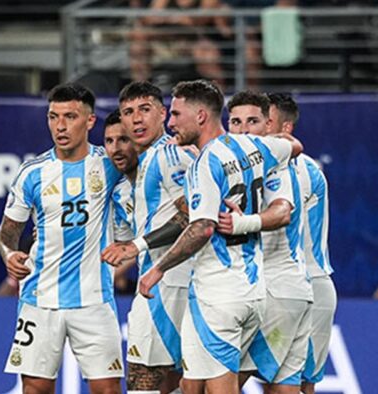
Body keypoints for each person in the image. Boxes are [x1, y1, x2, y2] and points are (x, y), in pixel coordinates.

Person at [138, 80, 302, 394]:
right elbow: (294, 146)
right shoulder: (254, 146)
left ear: (201, 116)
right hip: (250, 290)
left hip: (219, 294)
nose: (170, 123)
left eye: (175, 114)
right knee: (191, 386)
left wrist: (158, 269)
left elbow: (202, 228)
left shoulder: (204, 164)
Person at [0, 83, 123, 394]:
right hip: (40, 299)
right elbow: (6, 234)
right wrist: (9, 254)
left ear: (90, 121)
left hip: (94, 299)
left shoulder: (110, 164)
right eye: (53, 117)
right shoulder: (32, 173)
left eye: (70, 116)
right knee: (36, 389)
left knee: (107, 389)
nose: (60, 126)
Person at [101, 81, 196, 394]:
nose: (137, 119)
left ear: (163, 114)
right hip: (168, 282)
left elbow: (193, 217)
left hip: (170, 284)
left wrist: (137, 246)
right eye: (129, 112)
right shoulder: (134, 178)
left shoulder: (170, 155)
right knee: (185, 384)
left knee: (143, 382)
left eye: (145, 110)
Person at [223, 90, 314, 393]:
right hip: (293, 290)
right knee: (284, 389)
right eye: (235, 122)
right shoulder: (262, 162)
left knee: (220, 384)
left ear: (269, 126)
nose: (243, 129)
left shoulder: (276, 165)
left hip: (275, 290)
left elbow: (282, 213)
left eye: (253, 121)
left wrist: (242, 223)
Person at [267, 92, 337, 394]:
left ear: (286, 129)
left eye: (264, 122)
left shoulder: (304, 171)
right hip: (283, 286)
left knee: (297, 385)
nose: (251, 130)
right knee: (278, 382)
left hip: (307, 285)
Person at [103, 109, 141, 294]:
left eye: (123, 140)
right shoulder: (119, 194)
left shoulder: (166, 168)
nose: (115, 148)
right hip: (155, 284)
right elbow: (123, 250)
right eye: (109, 141)